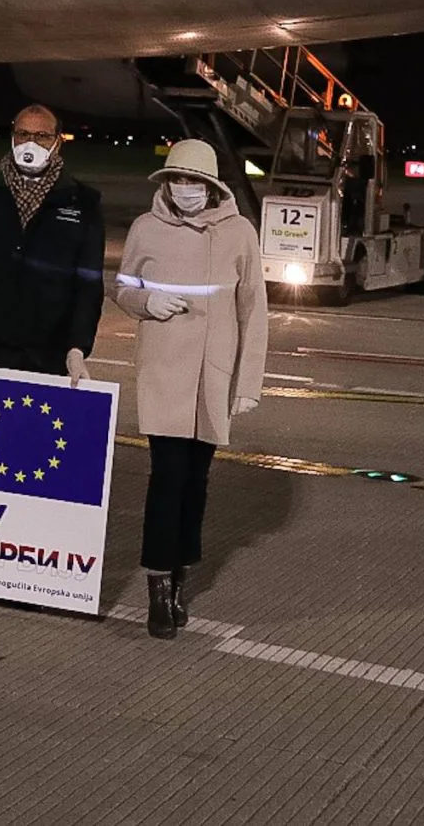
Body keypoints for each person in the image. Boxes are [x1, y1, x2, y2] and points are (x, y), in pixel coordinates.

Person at [0, 103, 107, 604]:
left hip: (46, 351)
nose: (30, 143)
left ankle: (23, 571)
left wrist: (78, 346)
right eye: (22, 133)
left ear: (58, 141)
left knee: (30, 457)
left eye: (41, 135)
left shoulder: (82, 201)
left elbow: (88, 284)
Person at [114, 136, 268, 639]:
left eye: (193, 181)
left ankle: (181, 574)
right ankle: (158, 587)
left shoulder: (239, 232)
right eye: (177, 179)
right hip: (165, 372)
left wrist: (247, 381)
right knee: (167, 477)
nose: (184, 188)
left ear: (212, 186)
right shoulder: (146, 227)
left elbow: (253, 309)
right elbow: (122, 287)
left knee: (196, 482)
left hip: (213, 375)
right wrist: (146, 303)